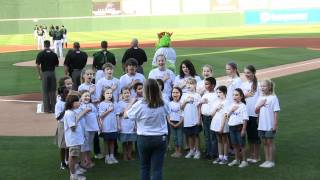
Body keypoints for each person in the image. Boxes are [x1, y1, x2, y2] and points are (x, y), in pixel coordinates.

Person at [126, 79, 169, 180]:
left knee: (145, 167)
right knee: (157, 169)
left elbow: (126, 115)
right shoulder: (163, 103)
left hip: (144, 138)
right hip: (160, 138)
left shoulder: (139, 105)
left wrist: (130, 103)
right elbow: (168, 112)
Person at [63, 93, 89, 180]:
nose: (79, 103)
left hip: (76, 139)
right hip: (73, 140)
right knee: (73, 157)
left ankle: (74, 173)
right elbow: (73, 128)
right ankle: (73, 176)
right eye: (77, 101)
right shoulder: (69, 113)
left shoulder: (72, 112)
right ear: (72, 103)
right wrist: (78, 118)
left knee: (74, 157)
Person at [255, 80, 280, 168]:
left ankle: (271, 161)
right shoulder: (260, 97)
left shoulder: (273, 98)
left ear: (269, 87)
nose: (262, 88)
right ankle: (267, 160)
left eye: (264, 86)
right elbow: (256, 111)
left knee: (270, 142)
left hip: (270, 125)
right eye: (261, 86)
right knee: (264, 142)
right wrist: (260, 105)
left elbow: (276, 112)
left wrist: (275, 125)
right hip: (261, 125)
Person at [240, 65, 261, 164]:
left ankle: (256, 156)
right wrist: (245, 95)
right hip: (245, 114)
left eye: (248, 72)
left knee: (255, 137)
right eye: (245, 72)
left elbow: (260, 101)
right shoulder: (243, 85)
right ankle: (251, 155)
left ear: (253, 73)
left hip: (254, 114)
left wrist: (259, 115)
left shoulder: (259, 85)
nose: (247, 74)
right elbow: (239, 98)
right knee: (249, 136)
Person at [226, 88, 249, 168]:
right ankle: (237, 159)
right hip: (231, 127)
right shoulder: (231, 105)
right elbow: (226, 116)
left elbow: (245, 119)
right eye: (233, 95)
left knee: (242, 145)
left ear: (241, 96)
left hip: (239, 128)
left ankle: (244, 161)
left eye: (236, 95)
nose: (234, 96)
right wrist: (231, 110)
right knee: (235, 144)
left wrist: (243, 129)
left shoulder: (243, 106)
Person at [181, 78, 202, 159]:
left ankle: (197, 151)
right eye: (188, 84)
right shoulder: (184, 95)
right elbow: (181, 107)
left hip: (195, 118)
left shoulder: (197, 95)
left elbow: (199, 108)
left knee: (196, 135)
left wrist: (199, 119)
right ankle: (191, 150)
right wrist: (186, 101)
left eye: (191, 83)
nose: (189, 85)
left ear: (195, 85)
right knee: (189, 135)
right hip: (187, 119)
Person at [36, 40, 59, 113]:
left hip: (45, 74)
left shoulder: (41, 54)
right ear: (50, 45)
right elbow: (57, 65)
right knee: (52, 91)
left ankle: (47, 109)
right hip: (52, 73)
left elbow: (37, 65)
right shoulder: (54, 54)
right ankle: (54, 108)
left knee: (45, 91)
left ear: (44, 45)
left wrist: (39, 75)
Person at [78, 90, 99, 169]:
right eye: (85, 96)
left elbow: (96, 115)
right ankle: (84, 161)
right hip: (85, 128)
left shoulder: (92, 105)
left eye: (88, 96)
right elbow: (79, 115)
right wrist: (85, 110)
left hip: (92, 128)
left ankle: (88, 160)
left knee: (89, 145)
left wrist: (99, 125)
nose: (87, 97)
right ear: (81, 98)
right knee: (84, 145)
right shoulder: (80, 105)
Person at [98, 87, 119, 165]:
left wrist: (118, 125)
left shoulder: (114, 103)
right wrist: (108, 110)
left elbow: (117, 115)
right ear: (103, 95)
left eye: (111, 93)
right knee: (106, 142)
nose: (109, 95)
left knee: (112, 141)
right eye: (107, 93)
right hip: (105, 127)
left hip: (113, 127)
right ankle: (107, 157)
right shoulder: (102, 104)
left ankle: (112, 156)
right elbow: (101, 115)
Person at [199, 77, 218, 159]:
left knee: (212, 135)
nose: (205, 86)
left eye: (207, 84)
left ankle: (213, 153)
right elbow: (200, 104)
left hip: (212, 117)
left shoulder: (216, 95)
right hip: (204, 117)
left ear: (213, 85)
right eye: (205, 84)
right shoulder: (205, 94)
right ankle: (208, 152)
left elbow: (215, 107)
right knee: (206, 135)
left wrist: (208, 102)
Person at [210, 86, 229, 165]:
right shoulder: (215, 102)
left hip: (223, 123)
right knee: (219, 140)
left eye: (220, 92)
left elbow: (225, 115)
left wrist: (222, 126)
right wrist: (216, 108)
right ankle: (220, 156)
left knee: (225, 140)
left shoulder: (227, 102)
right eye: (217, 92)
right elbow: (211, 114)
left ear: (224, 93)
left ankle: (225, 157)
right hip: (215, 123)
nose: (218, 94)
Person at [117, 87, 137, 160]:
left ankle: (130, 155)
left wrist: (135, 125)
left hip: (131, 125)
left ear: (130, 94)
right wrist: (119, 125)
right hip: (124, 126)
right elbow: (119, 115)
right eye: (124, 93)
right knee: (125, 142)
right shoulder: (120, 103)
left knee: (131, 141)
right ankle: (125, 155)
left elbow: (135, 115)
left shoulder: (133, 103)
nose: (126, 94)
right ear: (122, 94)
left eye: (128, 93)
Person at [55, 86, 69, 170]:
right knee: (63, 145)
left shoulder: (69, 101)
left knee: (69, 144)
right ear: (60, 94)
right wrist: (65, 109)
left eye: (68, 92)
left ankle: (67, 161)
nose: (67, 94)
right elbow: (58, 117)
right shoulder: (59, 104)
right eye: (65, 92)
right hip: (62, 125)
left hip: (69, 125)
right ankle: (62, 162)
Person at [168, 87, 184, 158]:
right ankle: (176, 151)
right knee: (174, 137)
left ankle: (179, 151)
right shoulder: (169, 103)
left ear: (180, 94)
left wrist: (179, 123)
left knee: (179, 136)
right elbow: (168, 113)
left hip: (179, 122)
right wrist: (169, 121)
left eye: (177, 92)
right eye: (173, 92)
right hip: (171, 122)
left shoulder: (181, 103)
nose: (175, 94)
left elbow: (183, 114)